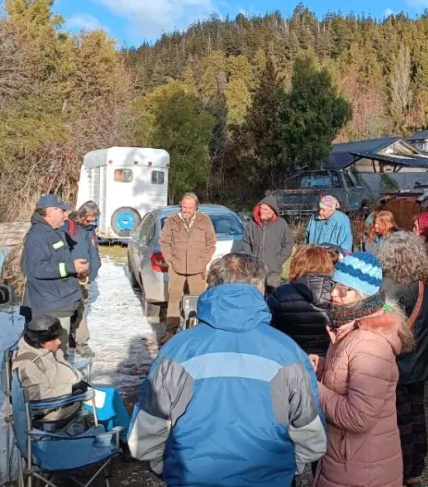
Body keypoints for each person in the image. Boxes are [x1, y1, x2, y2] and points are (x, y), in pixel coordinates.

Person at [127, 253, 327, 486]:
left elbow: (144, 437)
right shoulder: (288, 351)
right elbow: (313, 438)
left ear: (210, 287)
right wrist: (288, 468)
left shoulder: (178, 349)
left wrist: (170, 468)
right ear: (261, 289)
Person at [312, 252, 414, 487]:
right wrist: (321, 368)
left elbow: (359, 418)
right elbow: (348, 378)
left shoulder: (368, 344)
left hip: (362, 468)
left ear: (362, 296)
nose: (332, 294)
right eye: (333, 285)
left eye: (343, 289)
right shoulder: (350, 328)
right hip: (351, 459)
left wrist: (311, 386)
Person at [379, 233, 428, 487]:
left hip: (399, 364)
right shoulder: (427, 287)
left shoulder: (393, 290)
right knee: (416, 414)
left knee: (400, 420)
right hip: (420, 362)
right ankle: (416, 467)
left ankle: (402, 468)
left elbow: (382, 329)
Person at [21, 194, 89, 351]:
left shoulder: (53, 231)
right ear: (50, 211)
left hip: (61, 301)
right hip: (51, 306)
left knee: (61, 353)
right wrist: (71, 267)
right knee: (57, 354)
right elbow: (37, 269)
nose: (66, 216)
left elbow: (57, 262)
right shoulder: (38, 235)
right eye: (62, 211)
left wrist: (76, 271)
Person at [12, 315, 88, 425]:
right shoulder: (28, 364)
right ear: (39, 341)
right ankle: (114, 437)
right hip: (54, 408)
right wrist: (71, 389)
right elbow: (35, 395)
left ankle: (119, 436)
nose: (59, 342)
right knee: (106, 403)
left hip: (68, 396)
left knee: (109, 398)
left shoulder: (43, 350)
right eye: (53, 339)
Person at [158, 193, 217, 324]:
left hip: (197, 269)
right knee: (173, 301)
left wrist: (203, 261)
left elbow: (211, 243)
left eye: (190, 207)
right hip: (176, 268)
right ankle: (171, 330)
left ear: (196, 207)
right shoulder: (171, 220)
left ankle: (199, 328)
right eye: (184, 207)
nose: (186, 210)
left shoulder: (205, 220)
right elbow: (164, 241)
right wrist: (169, 260)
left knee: (199, 301)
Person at [266, 245, 335, 356]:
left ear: (297, 265)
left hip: (290, 357)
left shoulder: (281, 293)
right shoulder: (337, 294)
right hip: (327, 359)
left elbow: (267, 328)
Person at [65, 201, 101, 358]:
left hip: (86, 277)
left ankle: (81, 341)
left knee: (81, 310)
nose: (91, 222)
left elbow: (93, 250)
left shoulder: (90, 230)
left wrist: (95, 268)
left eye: (94, 220)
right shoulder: (68, 227)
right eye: (89, 219)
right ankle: (70, 341)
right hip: (70, 276)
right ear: (81, 216)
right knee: (69, 309)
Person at [241, 195, 293, 293]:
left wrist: (277, 261)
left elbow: (288, 246)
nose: (262, 211)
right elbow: (245, 242)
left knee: (273, 299)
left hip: (273, 271)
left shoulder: (282, 224)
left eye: (265, 209)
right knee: (255, 296)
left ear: (272, 211)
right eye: (261, 208)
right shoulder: (252, 224)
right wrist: (250, 257)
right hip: (254, 270)